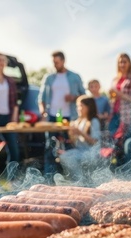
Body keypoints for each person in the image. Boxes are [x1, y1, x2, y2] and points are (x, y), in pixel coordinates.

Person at [38, 51, 86, 180]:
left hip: (70, 116)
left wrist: (74, 97)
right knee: (51, 146)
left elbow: (84, 96)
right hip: (52, 116)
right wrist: (43, 110)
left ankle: (71, 176)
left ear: (63, 61)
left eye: (57, 62)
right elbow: (41, 98)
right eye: (53, 62)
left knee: (69, 146)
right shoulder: (48, 78)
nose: (55, 64)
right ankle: (50, 177)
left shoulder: (74, 77)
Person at [107, 53, 131, 164]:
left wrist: (119, 93)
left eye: (124, 61)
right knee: (114, 145)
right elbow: (114, 99)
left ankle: (128, 171)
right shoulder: (115, 80)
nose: (122, 64)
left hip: (127, 116)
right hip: (115, 115)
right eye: (120, 62)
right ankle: (117, 170)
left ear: (129, 63)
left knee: (125, 143)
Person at [59, 95, 101, 182]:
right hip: (80, 150)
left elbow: (94, 142)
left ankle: (80, 181)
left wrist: (80, 132)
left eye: (81, 106)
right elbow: (75, 144)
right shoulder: (79, 121)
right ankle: (77, 180)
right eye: (77, 106)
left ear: (89, 107)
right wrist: (71, 135)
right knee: (64, 156)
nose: (78, 108)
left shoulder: (94, 121)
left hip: (91, 151)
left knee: (70, 158)